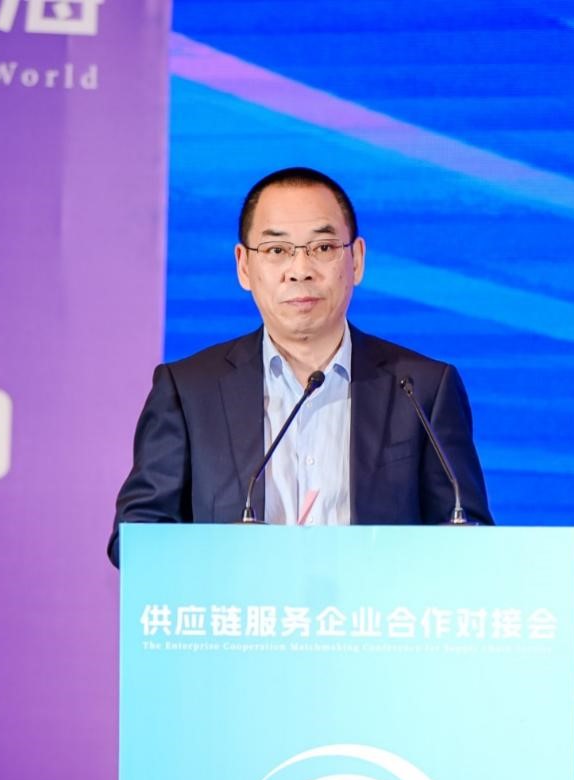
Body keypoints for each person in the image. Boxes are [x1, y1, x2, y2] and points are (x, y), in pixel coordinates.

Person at [108, 167, 491, 566]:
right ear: (244, 266)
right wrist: (221, 564)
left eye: (323, 247)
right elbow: (136, 538)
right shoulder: (189, 390)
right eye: (277, 250)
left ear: (357, 259)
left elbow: (469, 538)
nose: (300, 269)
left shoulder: (422, 389)